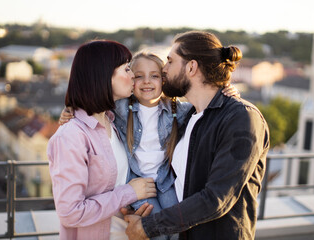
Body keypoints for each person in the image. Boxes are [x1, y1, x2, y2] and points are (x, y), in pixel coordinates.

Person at [58, 51, 239, 240]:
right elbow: (94, 102)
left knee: (177, 226)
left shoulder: (177, 110)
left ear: (164, 80)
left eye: (154, 76)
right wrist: (71, 108)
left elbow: (205, 103)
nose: (146, 82)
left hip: (165, 181)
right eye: (138, 76)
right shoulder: (121, 108)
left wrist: (226, 92)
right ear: (131, 81)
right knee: (154, 230)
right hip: (139, 182)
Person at [124, 31, 270, 240]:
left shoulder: (241, 118)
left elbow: (216, 198)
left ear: (191, 67)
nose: (164, 70)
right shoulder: (188, 116)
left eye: (170, 61)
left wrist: (148, 226)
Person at [47, 40, 157, 240]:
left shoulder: (113, 122)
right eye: (126, 69)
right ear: (103, 75)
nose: (133, 76)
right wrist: (129, 193)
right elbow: (71, 213)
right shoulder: (71, 136)